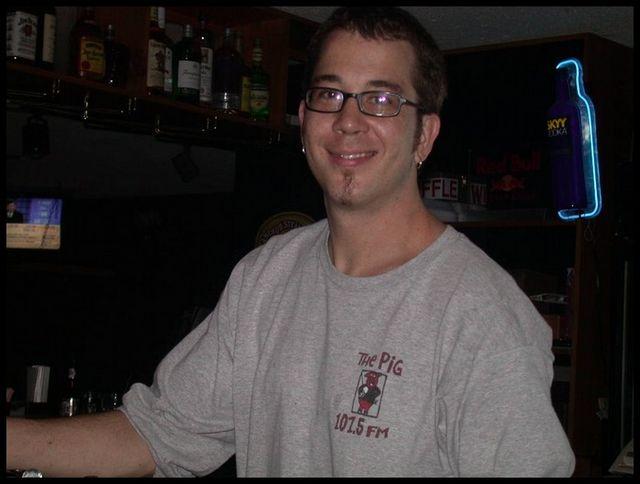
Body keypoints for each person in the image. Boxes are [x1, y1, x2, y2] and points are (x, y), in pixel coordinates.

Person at [6, 7, 575, 477]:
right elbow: (157, 436)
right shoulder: (266, 276)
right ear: (304, 120)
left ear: (424, 134)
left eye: (381, 100)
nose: (348, 120)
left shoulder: (479, 311)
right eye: (331, 94)